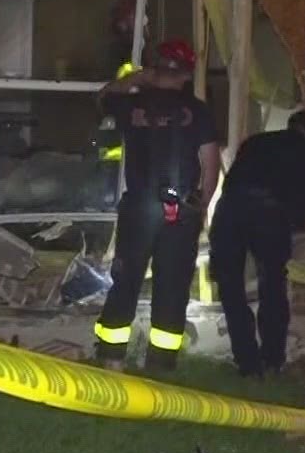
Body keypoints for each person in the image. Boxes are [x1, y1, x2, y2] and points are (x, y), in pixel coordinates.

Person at [92, 39, 222, 372]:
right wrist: (201, 206)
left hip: (139, 205)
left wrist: (139, 78)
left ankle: (111, 360)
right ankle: (160, 366)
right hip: (183, 208)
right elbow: (210, 165)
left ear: (156, 67)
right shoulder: (198, 111)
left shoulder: (130, 106)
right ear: (187, 74)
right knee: (173, 284)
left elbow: (104, 95)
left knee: (127, 279)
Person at [209, 110, 305, 378]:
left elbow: (236, 181)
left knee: (231, 288)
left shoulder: (256, 142)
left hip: (229, 211)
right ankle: (272, 359)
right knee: (272, 285)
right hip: (268, 216)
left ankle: (247, 363)